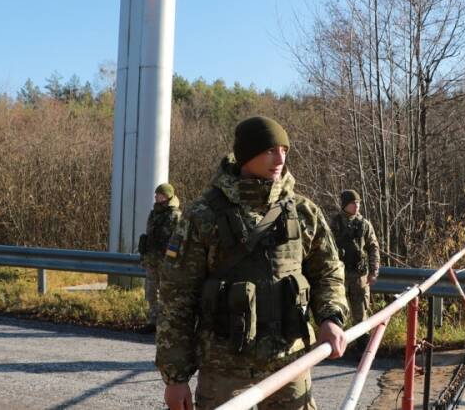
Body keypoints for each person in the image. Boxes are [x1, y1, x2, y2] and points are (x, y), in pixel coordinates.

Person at [156, 116, 349, 410]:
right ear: (247, 155)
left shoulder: (303, 211)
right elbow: (177, 298)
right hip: (224, 369)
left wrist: (331, 317)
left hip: (289, 362)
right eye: (271, 150)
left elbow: (329, 272)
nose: (280, 158)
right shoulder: (203, 214)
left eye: (284, 150)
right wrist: (176, 377)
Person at [330, 190, 379, 328]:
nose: (357, 205)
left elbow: (373, 248)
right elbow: (325, 249)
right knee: (337, 315)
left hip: (359, 277)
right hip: (340, 276)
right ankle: (339, 346)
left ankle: (363, 347)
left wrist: (373, 271)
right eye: (353, 202)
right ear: (345, 204)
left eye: (358, 202)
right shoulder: (334, 224)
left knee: (361, 316)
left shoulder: (364, 224)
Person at [138, 182, 181, 333]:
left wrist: (171, 260)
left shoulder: (175, 215)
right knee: (151, 292)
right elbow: (150, 235)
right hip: (151, 259)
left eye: (159, 194)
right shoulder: (154, 213)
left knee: (166, 293)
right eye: (156, 194)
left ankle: (165, 324)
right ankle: (152, 322)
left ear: (167, 196)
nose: (156, 196)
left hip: (165, 261)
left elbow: (178, 240)